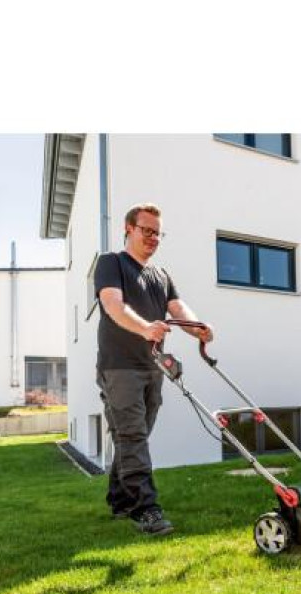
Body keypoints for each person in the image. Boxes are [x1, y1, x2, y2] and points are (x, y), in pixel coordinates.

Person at [93, 203, 213, 535]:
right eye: (147, 231)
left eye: (158, 233)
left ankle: (119, 500)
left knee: (134, 436)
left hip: (153, 366)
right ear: (128, 229)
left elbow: (177, 307)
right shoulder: (111, 263)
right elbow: (113, 305)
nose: (153, 238)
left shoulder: (161, 275)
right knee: (132, 435)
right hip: (119, 368)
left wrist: (197, 328)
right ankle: (145, 508)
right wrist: (146, 328)